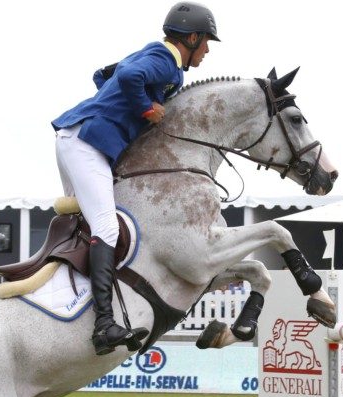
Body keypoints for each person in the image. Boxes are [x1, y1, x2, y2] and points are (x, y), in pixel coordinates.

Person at [51, 2, 218, 355]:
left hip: (76, 137)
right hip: (86, 144)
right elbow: (127, 78)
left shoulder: (152, 55)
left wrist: (124, 107)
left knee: (87, 225)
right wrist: (145, 108)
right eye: (206, 43)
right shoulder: (166, 61)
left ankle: (69, 298)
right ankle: (103, 325)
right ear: (191, 37)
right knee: (106, 229)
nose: (206, 52)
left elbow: (104, 75)